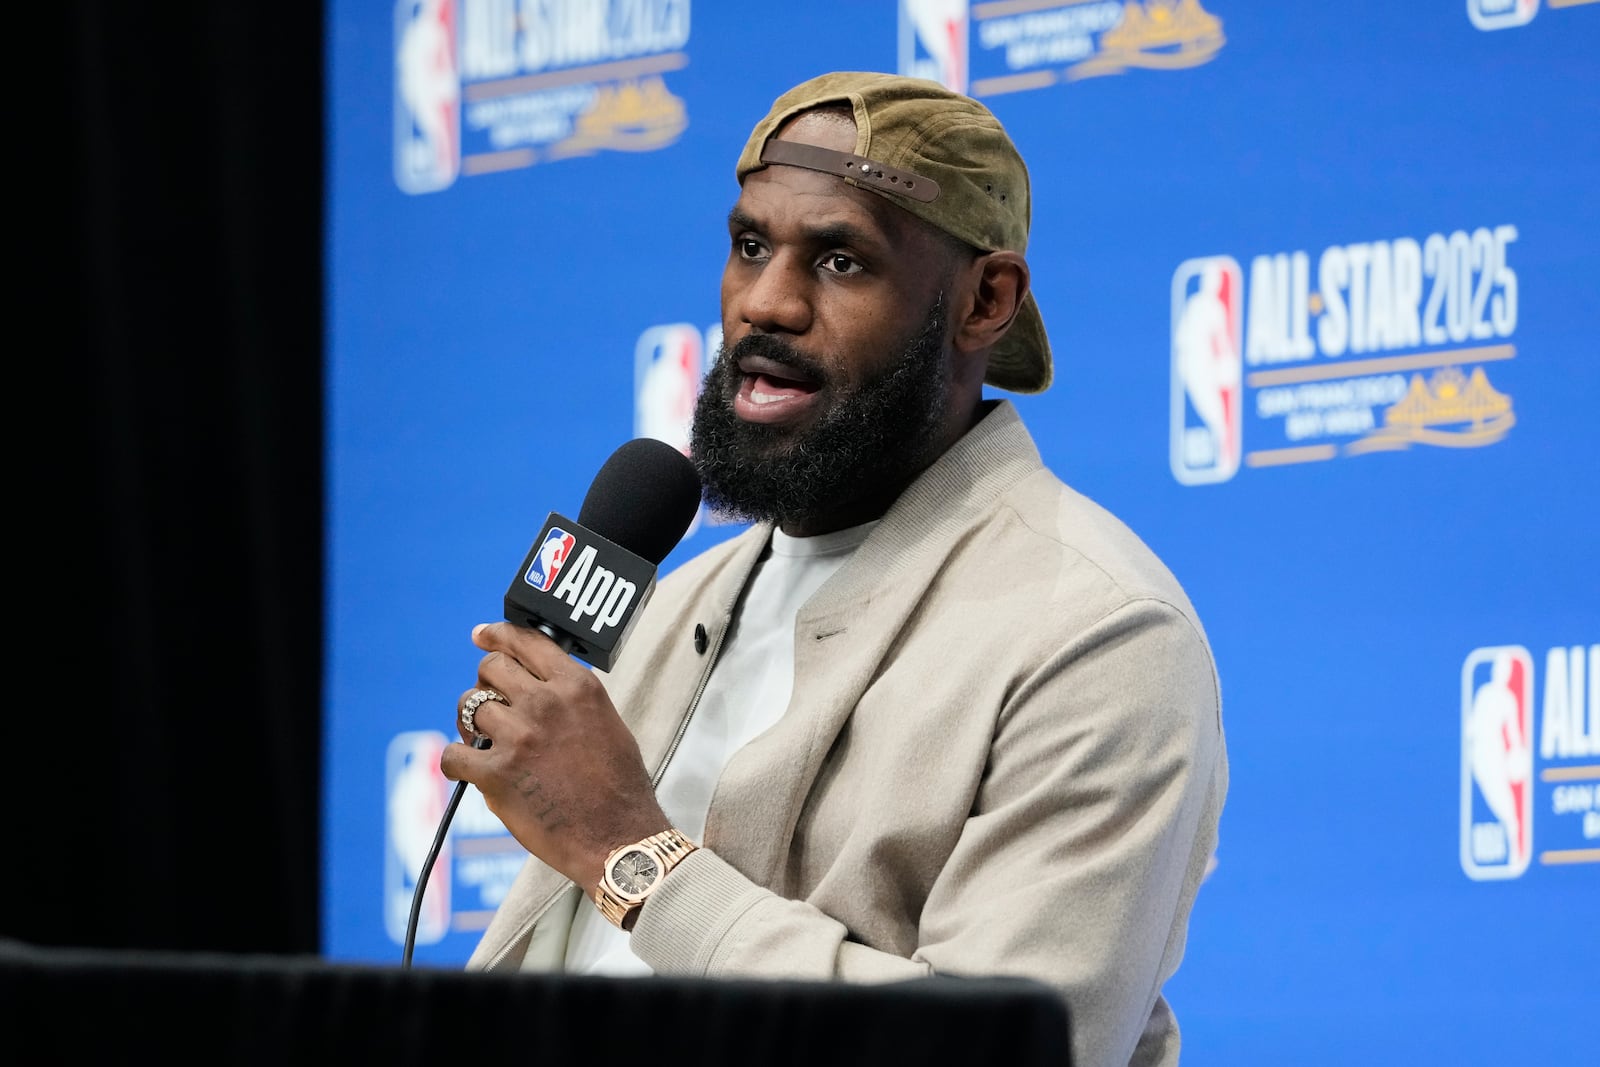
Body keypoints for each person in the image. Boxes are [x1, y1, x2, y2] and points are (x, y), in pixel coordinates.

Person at [440, 70, 1228, 1067]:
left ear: (985, 298)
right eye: (749, 246)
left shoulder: (1098, 630)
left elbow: (1021, 1045)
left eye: (842, 260)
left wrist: (625, 849)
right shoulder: (673, 600)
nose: (765, 303)